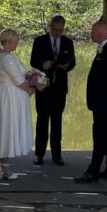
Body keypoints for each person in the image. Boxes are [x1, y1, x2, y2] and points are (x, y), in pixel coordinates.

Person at [75, 20, 107, 183]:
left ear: (100, 33)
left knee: (101, 135)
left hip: (106, 103)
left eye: (92, 31)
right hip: (104, 102)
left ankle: (93, 171)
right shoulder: (106, 48)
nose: (91, 34)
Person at [29, 15, 75, 165]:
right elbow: (33, 62)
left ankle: (57, 155)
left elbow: (73, 62)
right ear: (50, 26)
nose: (58, 33)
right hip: (43, 86)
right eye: (55, 30)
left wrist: (67, 66)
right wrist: (44, 64)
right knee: (42, 121)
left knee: (57, 122)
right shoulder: (39, 41)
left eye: (60, 30)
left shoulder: (68, 42)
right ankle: (39, 154)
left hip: (60, 88)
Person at [0, 28, 35, 180]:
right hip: (11, 98)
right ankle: (5, 167)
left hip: (8, 95)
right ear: (10, 41)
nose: (17, 45)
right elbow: (19, 81)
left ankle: (2, 164)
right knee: (7, 129)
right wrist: (33, 88)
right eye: (16, 42)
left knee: (5, 128)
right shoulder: (7, 59)